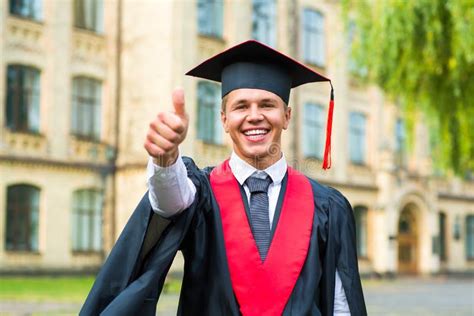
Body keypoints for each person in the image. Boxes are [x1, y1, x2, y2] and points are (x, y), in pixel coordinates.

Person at [80, 40, 367, 316]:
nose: (254, 116)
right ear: (224, 119)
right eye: (241, 106)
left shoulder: (326, 206)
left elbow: (340, 302)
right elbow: (171, 201)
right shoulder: (202, 194)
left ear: (287, 116)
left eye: (267, 105)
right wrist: (166, 158)